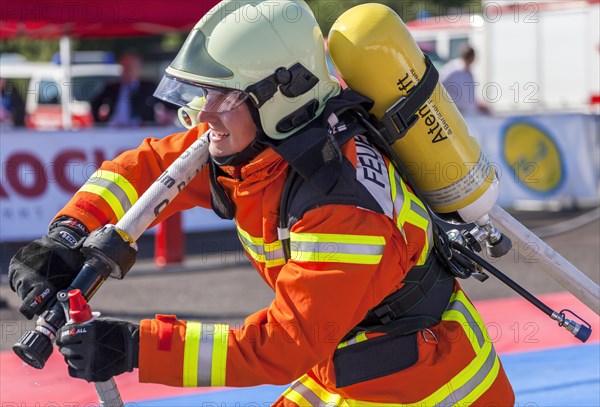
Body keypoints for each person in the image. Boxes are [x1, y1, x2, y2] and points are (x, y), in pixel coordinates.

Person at [8, 1, 514, 405]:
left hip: (431, 386)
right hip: (353, 361)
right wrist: (66, 237)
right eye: (203, 94)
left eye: (222, 97)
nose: (205, 114)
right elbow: (142, 171)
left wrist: (136, 348)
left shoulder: (340, 209)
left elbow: (278, 347)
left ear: (279, 96)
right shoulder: (254, 149)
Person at [91, 53, 169, 127]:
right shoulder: (112, 87)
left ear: (139, 68)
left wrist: (167, 116)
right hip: (114, 128)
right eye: (125, 66)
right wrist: (99, 122)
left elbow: (167, 103)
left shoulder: (149, 87)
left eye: (132, 66)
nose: (129, 70)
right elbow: (95, 103)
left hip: (142, 129)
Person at [440, 44, 490, 115]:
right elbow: (438, 85)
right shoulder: (452, 69)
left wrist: (479, 105)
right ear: (470, 57)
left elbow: (469, 96)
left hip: (467, 113)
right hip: (453, 112)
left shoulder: (469, 73)